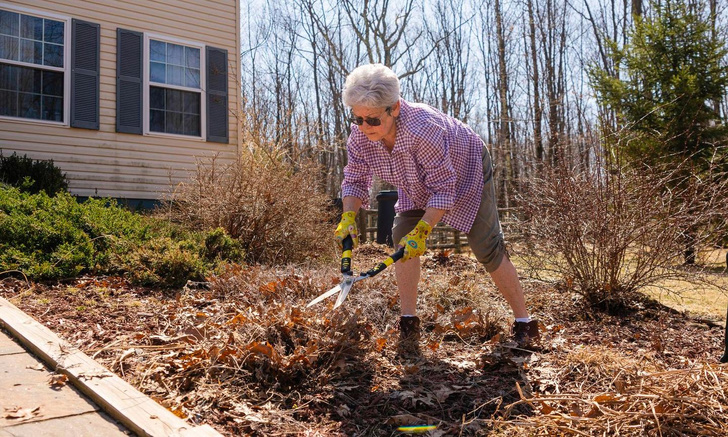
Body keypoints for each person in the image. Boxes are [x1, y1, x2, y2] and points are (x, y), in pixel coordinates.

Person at [333, 63, 539, 352]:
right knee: (401, 237)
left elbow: (443, 188)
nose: (365, 127)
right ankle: (408, 322)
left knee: (485, 246)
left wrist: (425, 230)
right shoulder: (361, 138)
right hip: (414, 179)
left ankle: (525, 323)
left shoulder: (423, 129)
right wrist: (349, 217)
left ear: (394, 108)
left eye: (373, 120)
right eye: (358, 119)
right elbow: (354, 179)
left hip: (466, 168)